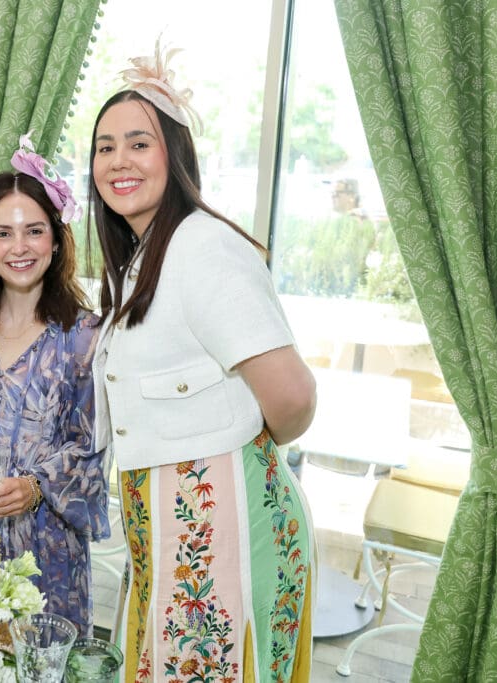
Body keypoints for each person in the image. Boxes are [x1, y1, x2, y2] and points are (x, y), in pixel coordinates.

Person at [89, 42, 317, 681]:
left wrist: (234, 463)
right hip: (173, 538)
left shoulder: (203, 246)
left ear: (175, 154)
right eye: (105, 147)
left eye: (139, 142)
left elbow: (294, 397)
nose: (118, 161)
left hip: (222, 532)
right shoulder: (143, 257)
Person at [0, 134, 110, 635]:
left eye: (33, 231)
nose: (19, 248)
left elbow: (94, 451)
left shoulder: (85, 338)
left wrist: (36, 487)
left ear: (55, 239)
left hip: (42, 561)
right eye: (3, 234)